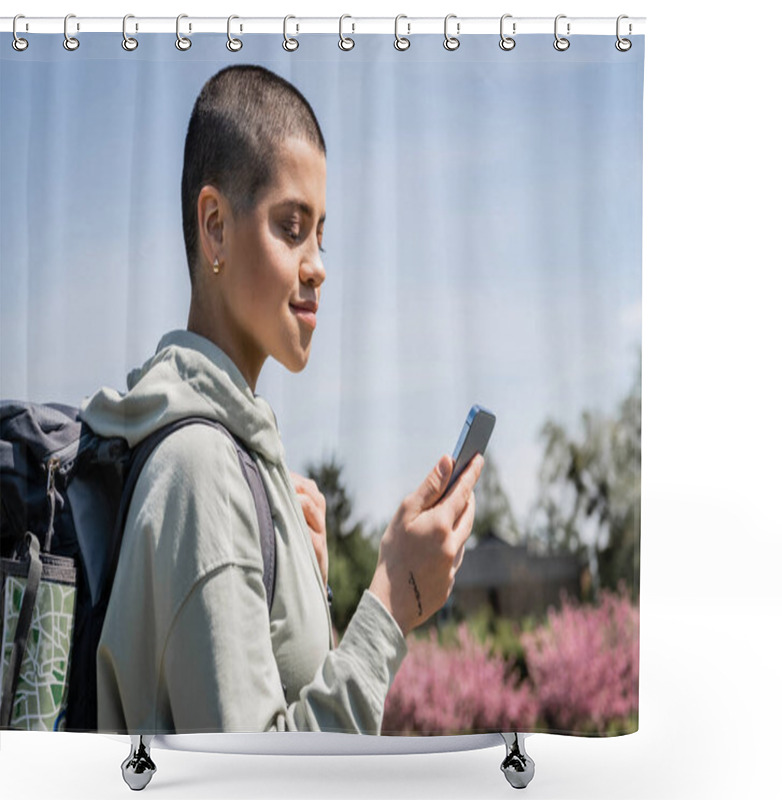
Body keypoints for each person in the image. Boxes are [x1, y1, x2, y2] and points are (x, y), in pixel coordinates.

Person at [80, 64, 483, 735]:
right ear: (214, 228)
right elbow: (260, 779)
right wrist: (391, 602)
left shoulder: (240, 467)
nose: (318, 263)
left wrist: (300, 585)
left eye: (321, 233)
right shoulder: (202, 473)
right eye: (291, 227)